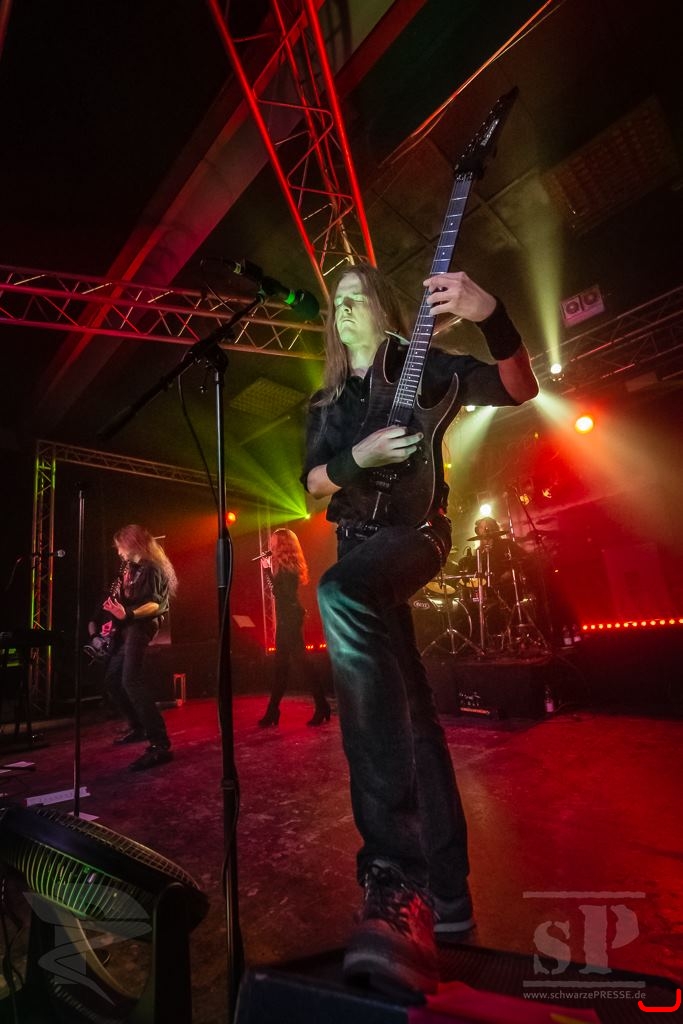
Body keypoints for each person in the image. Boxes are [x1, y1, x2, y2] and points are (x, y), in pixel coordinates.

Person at [302, 263, 538, 996]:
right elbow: (311, 485)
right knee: (413, 714)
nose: (343, 309)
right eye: (335, 302)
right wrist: (359, 457)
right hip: (354, 541)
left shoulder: (422, 363)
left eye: (355, 298)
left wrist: (492, 313)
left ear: (381, 307)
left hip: (414, 535)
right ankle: (449, 896)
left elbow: (519, 388)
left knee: (339, 594)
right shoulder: (327, 400)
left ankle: (394, 873)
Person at [101, 524, 178, 771]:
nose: (118, 552)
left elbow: (154, 605)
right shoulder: (130, 569)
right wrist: (116, 618)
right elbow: (126, 605)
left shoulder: (153, 568)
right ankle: (139, 727)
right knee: (113, 679)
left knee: (130, 680)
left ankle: (160, 744)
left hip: (142, 626)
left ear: (132, 543)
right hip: (129, 626)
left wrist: (128, 614)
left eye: (120, 546)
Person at [257, 528, 332, 728]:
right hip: (286, 619)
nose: (270, 544)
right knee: (281, 667)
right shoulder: (283, 565)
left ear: (282, 544)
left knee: (301, 664)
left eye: (274, 541)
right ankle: (274, 710)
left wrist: (267, 571)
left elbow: (280, 594)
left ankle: (321, 705)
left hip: (290, 619)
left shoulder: (289, 567)